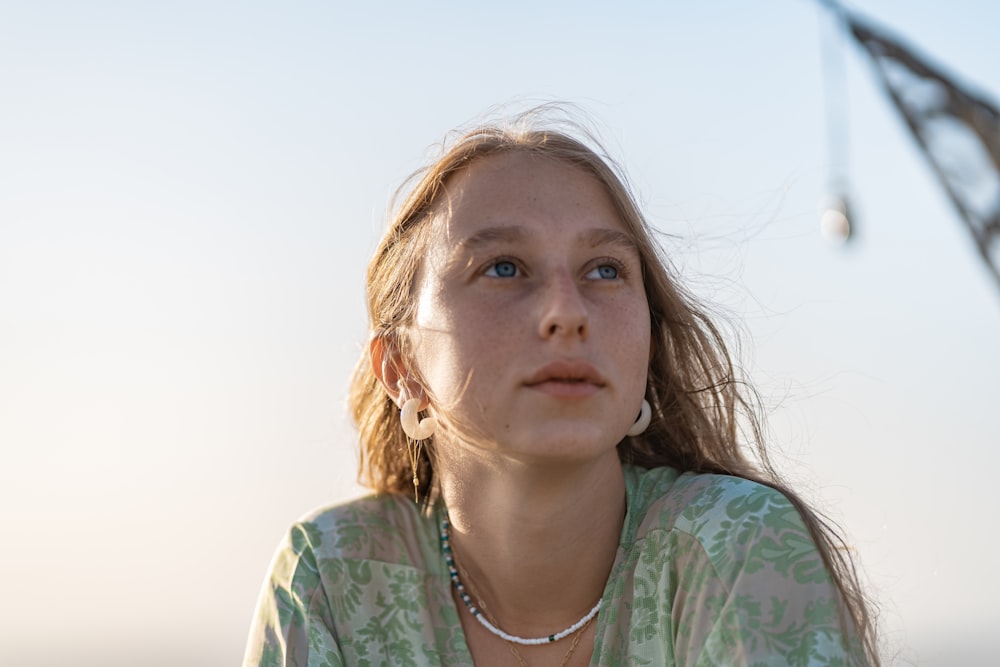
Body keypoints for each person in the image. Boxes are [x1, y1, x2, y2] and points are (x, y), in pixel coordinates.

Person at [242, 109, 879, 667]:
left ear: (647, 343)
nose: (565, 312)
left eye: (605, 270)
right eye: (503, 267)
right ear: (402, 367)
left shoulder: (734, 545)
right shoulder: (331, 574)